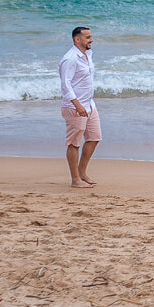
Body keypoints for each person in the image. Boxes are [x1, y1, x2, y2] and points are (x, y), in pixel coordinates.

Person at [60, 26, 100, 188]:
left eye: (91, 36)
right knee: (74, 143)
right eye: (88, 37)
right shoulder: (70, 59)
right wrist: (77, 105)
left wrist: (86, 104)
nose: (91, 40)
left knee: (94, 138)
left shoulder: (88, 54)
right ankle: (75, 179)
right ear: (77, 39)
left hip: (89, 104)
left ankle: (82, 172)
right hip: (74, 107)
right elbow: (65, 85)